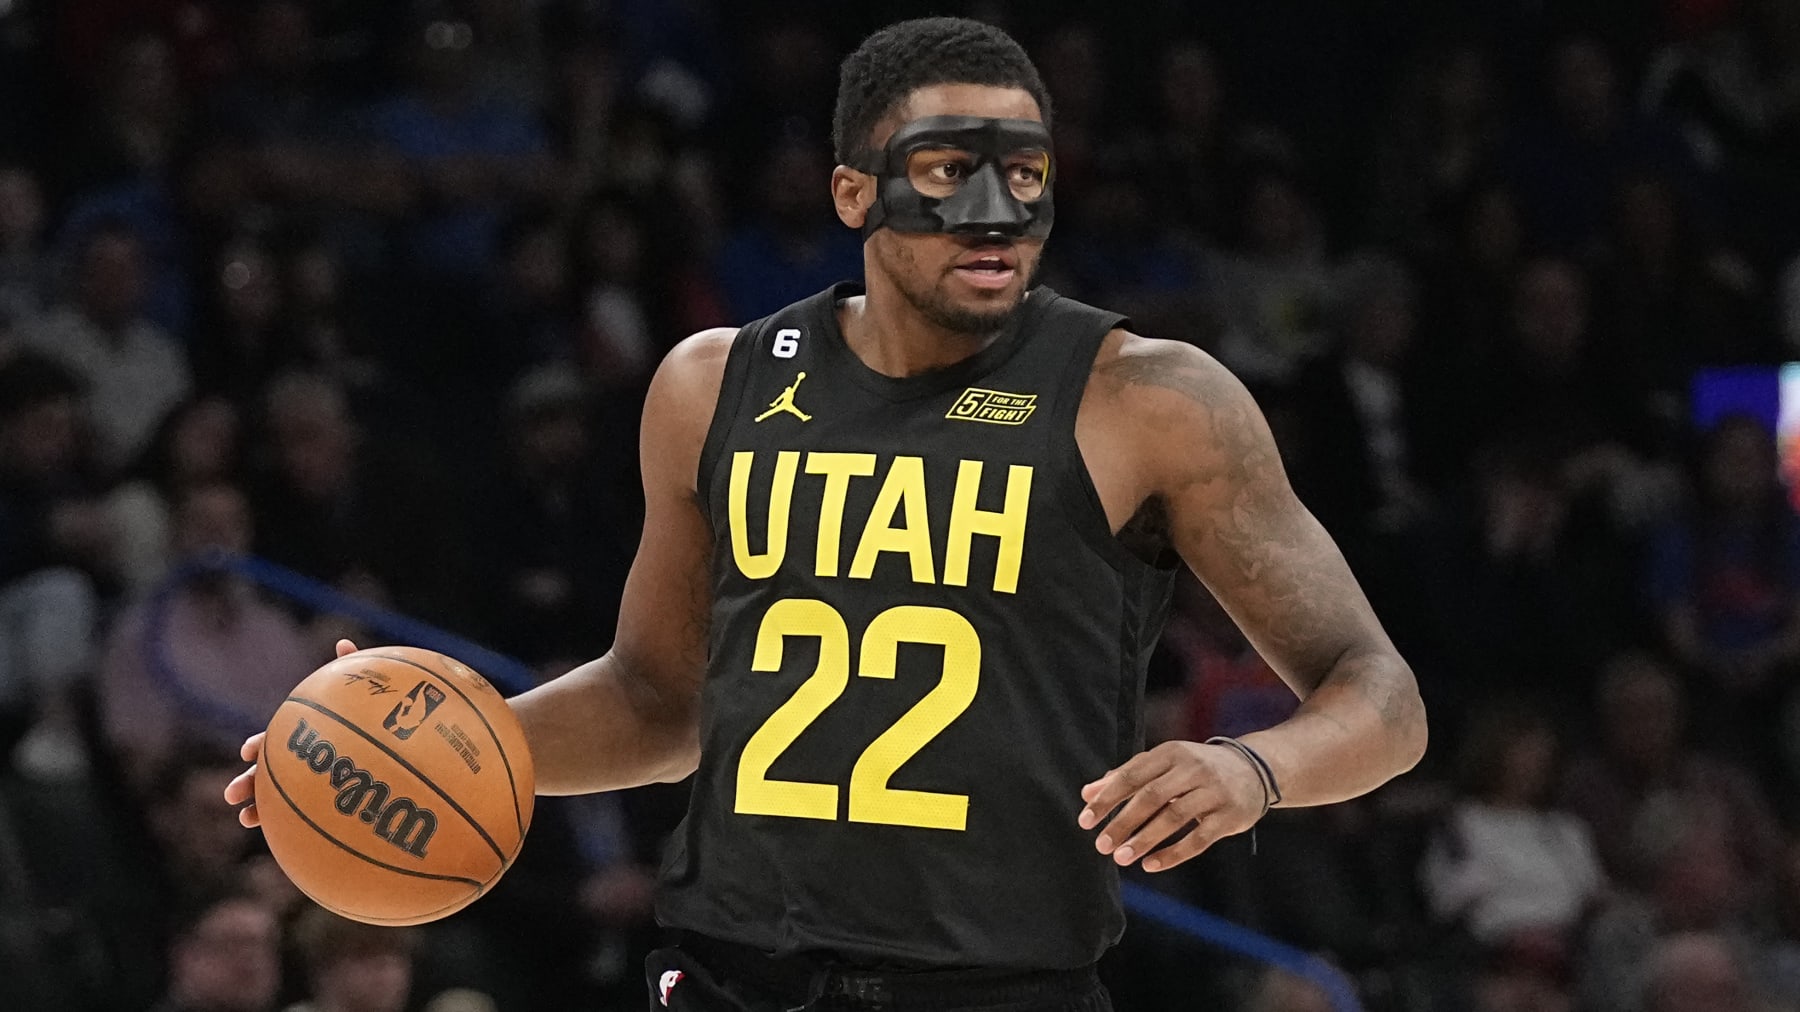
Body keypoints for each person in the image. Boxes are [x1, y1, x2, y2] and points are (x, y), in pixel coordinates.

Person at [227, 17, 1427, 1010]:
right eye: (952, 173)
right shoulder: (712, 384)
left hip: (996, 986)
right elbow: (661, 699)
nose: (998, 212)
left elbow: (1381, 697)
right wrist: (425, 748)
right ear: (854, 192)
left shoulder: (1150, 399)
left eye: (1027, 174)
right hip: (734, 975)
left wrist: (1252, 770)